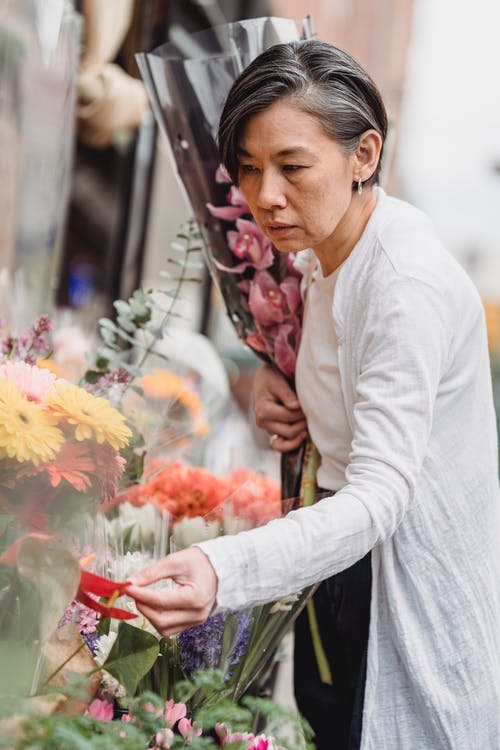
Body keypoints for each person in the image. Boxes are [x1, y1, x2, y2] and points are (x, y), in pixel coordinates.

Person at [126, 39, 500, 749]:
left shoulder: (402, 282)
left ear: (364, 155)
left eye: (292, 167)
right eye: (247, 169)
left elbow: (382, 492)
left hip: (402, 595)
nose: (265, 196)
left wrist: (223, 566)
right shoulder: (324, 258)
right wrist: (285, 375)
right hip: (342, 576)